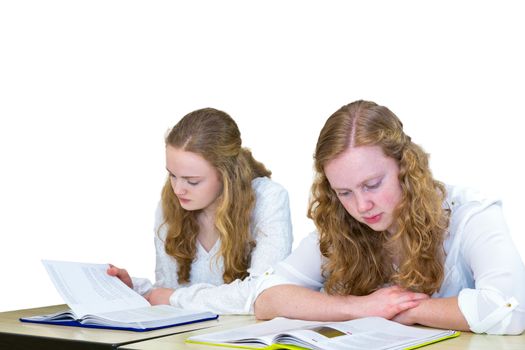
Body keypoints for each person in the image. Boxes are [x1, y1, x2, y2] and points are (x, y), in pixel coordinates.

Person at [253, 100, 525, 335]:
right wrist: (360, 307)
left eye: (372, 185)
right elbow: (267, 298)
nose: (361, 206)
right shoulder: (341, 224)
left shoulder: (471, 214)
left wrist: (407, 310)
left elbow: (510, 310)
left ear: (405, 167)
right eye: (345, 192)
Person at [108, 107, 293, 314]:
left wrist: (173, 297)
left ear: (226, 175)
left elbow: (264, 294)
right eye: (172, 175)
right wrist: (135, 290)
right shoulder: (170, 203)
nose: (178, 189)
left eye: (192, 181)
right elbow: (169, 295)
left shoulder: (268, 198)